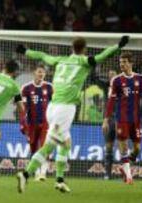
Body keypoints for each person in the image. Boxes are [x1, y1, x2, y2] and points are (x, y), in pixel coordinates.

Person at [16, 35, 130, 193]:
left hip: (53, 107)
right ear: (84, 49)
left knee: (66, 143)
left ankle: (60, 180)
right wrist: (119, 45)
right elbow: (104, 55)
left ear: (72, 48)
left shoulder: (60, 59)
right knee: (49, 147)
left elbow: (42, 55)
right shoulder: (84, 61)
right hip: (64, 109)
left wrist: (26, 51)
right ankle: (25, 174)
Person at [102, 52, 142, 185]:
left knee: (137, 147)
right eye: (121, 62)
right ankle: (129, 176)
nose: (122, 64)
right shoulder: (116, 80)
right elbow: (111, 101)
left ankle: (124, 168)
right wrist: (106, 119)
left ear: (131, 63)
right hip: (121, 119)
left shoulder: (140, 78)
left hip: (137, 119)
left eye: (125, 62)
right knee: (123, 147)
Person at [19, 65, 52, 181]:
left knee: (45, 147)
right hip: (32, 124)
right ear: (34, 73)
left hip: (46, 123)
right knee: (33, 148)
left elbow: (55, 104)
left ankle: (43, 173)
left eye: (43, 72)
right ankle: (36, 173)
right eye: (39, 72)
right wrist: (22, 123)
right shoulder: (26, 88)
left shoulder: (49, 87)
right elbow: (22, 107)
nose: (41, 74)